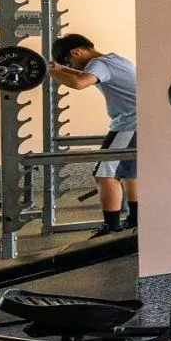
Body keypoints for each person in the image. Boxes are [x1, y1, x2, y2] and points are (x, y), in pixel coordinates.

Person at [48, 34, 138, 237]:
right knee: (129, 174)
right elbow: (85, 74)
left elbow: (80, 83)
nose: (73, 66)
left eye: (70, 62)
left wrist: (49, 71)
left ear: (76, 52)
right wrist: (62, 69)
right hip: (136, 123)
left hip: (129, 125)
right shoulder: (114, 59)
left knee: (105, 174)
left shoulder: (99, 64)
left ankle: (111, 228)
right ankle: (136, 220)